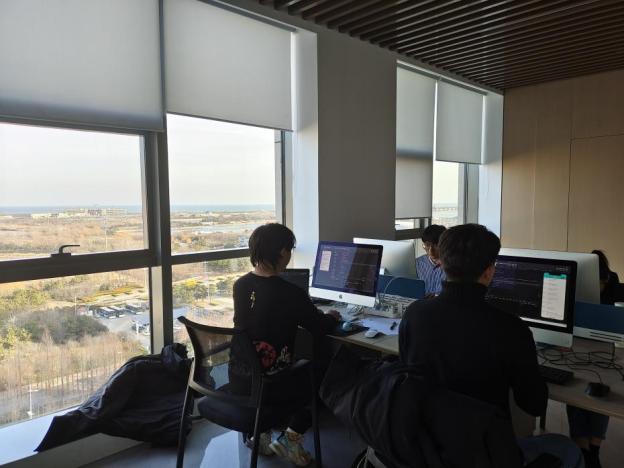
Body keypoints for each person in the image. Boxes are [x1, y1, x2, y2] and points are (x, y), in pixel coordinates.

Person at [400, 224, 584, 468]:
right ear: (489, 272)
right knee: (568, 449)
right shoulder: (511, 328)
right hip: (486, 453)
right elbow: (534, 405)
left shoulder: (414, 314)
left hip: (428, 448)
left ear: (442, 265)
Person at [231, 223, 340, 466]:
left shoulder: (240, 285)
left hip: (239, 377)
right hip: (272, 384)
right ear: (282, 252)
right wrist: (332, 316)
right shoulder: (291, 293)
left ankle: (260, 434)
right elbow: (318, 327)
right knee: (326, 368)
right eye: (289, 250)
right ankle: (292, 436)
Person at [565, 250, 620, 467]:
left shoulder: (610, 281)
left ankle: (589, 449)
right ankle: (588, 448)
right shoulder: (593, 281)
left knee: (592, 388)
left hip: (599, 342)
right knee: (581, 388)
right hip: (588, 340)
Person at [415, 224, 446, 296]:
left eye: (436, 245)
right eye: (427, 245)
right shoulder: (417, 264)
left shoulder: (452, 266)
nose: (431, 251)